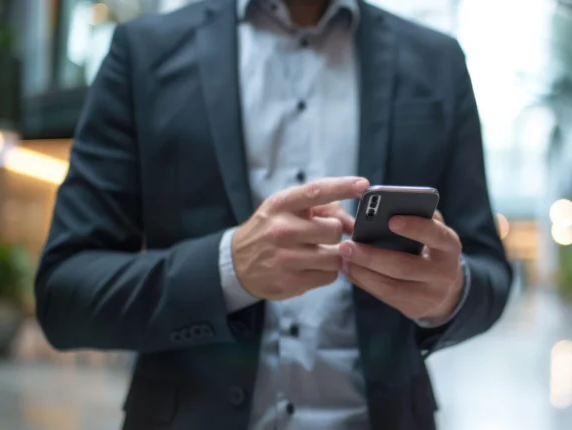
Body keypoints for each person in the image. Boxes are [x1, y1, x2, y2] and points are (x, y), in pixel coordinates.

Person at [34, 0, 513, 429]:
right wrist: (227, 269)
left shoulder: (437, 61)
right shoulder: (143, 51)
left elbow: (489, 270)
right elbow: (65, 295)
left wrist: (451, 292)